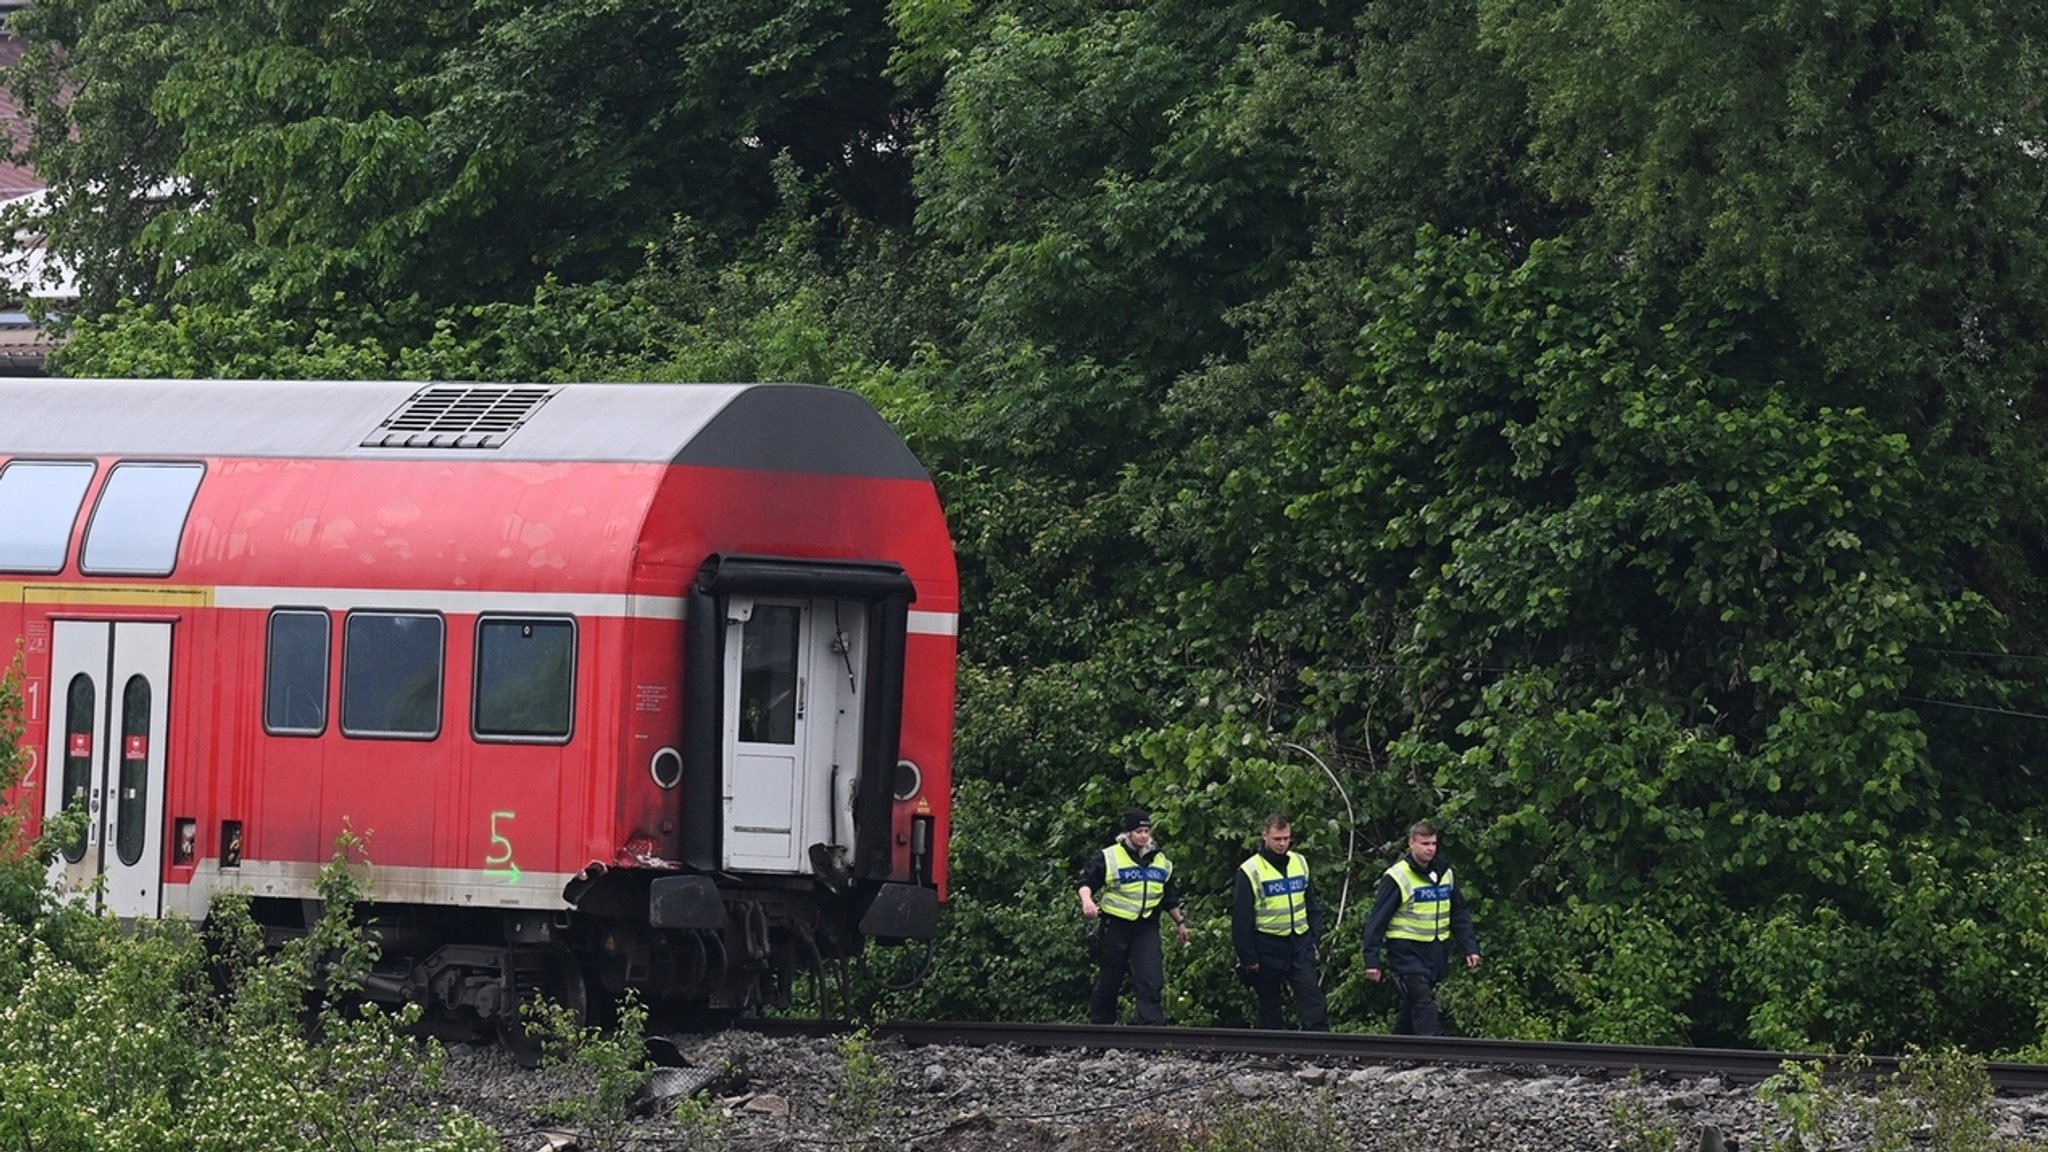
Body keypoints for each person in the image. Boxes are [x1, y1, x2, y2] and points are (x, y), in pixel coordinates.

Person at [1360, 819, 1480, 1036]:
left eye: (1433, 843)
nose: (1430, 849)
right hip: (1406, 951)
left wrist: (1470, 947)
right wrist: (1372, 960)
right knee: (1424, 1001)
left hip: (1435, 951)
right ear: (1411, 844)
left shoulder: (1445, 874)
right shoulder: (1398, 877)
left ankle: (1396, 1049)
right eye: (1425, 844)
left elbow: (1458, 913)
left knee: (1412, 1004)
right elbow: (1377, 921)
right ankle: (1431, 1052)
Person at [1077, 806, 1188, 1025]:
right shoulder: (1109, 857)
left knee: (1151, 978)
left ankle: (1152, 1031)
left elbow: (1168, 896)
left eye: (1147, 832)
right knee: (1110, 979)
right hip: (1116, 925)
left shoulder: (1160, 860)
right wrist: (1087, 901)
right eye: (1139, 832)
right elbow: (1086, 882)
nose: (1144, 836)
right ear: (1127, 833)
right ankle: (1100, 1030)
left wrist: (1180, 922)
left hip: (1146, 926)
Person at [1230, 812, 1328, 1031]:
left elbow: (1311, 903)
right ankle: (1274, 1050)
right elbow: (1242, 918)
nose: (1283, 844)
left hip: (1300, 942)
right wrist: (1248, 956)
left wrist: (1315, 937)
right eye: (1277, 839)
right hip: (1267, 944)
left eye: (1286, 838)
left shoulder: (1299, 862)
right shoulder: (1250, 870)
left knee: (1312, 997)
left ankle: (1321, 1048)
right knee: (1270, 1002)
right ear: (1265, 836)